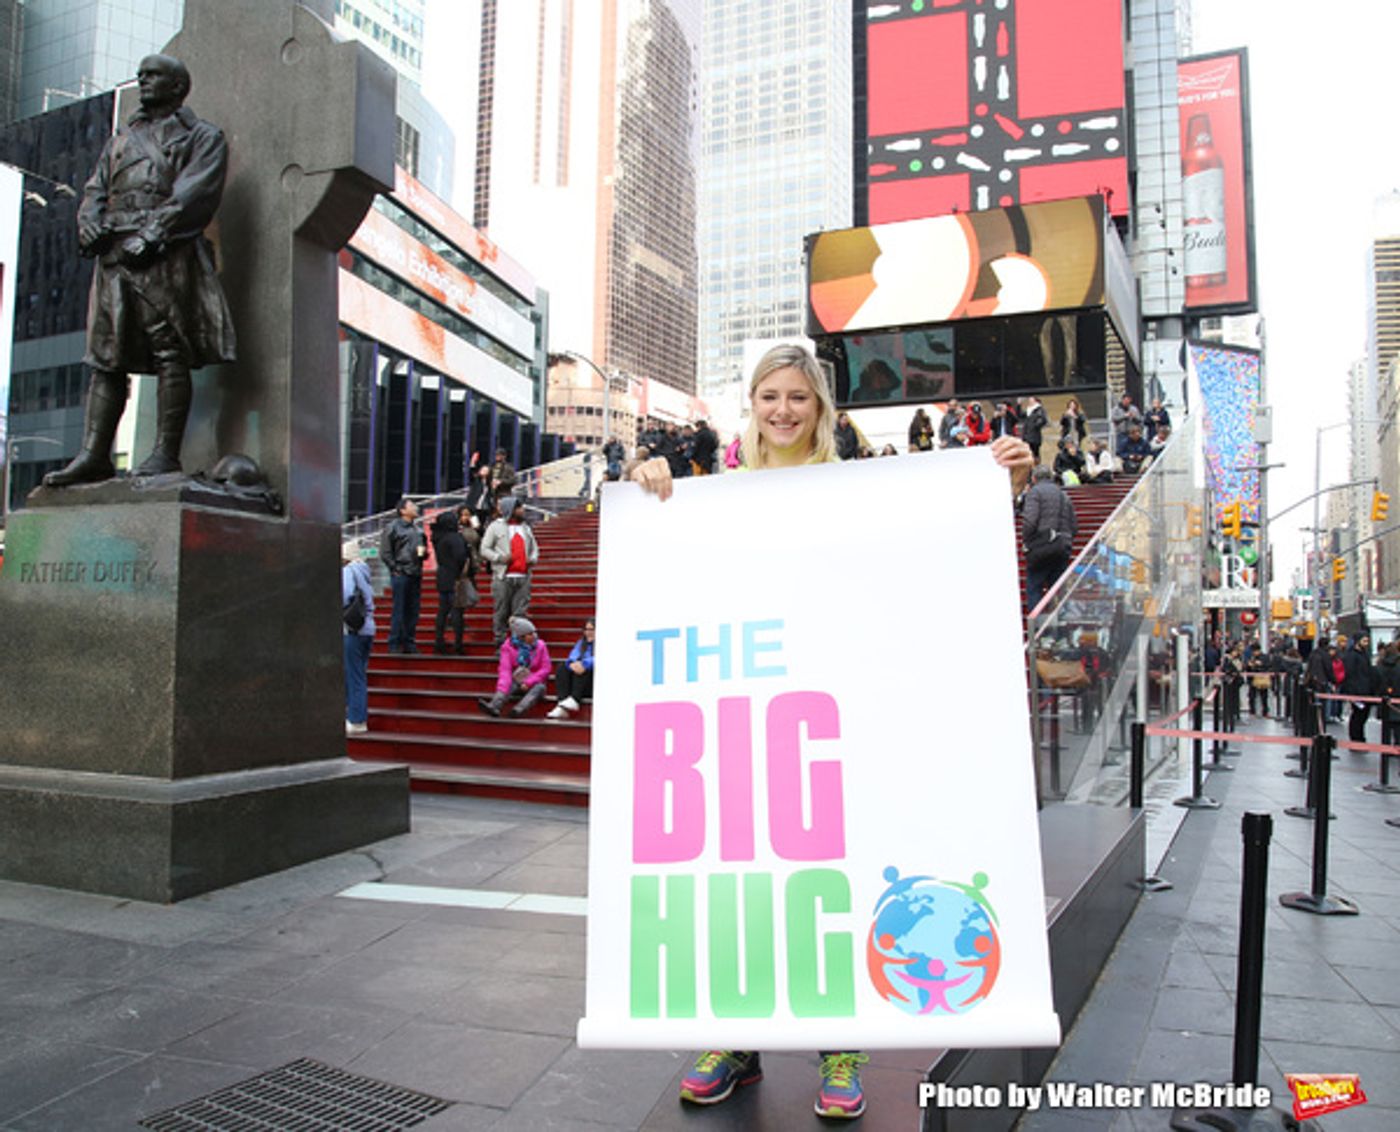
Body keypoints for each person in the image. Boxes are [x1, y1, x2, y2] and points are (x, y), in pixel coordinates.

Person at [630, 344, 1032, 1120]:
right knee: (745, 866)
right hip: (751, 703)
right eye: (769, 397)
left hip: (846, 706)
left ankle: (840, 1045)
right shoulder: (716, 496)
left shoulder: (861, 489)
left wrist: (997, 483)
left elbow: (934, 549)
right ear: (751, 404)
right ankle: (735, 1040)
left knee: (842, 866)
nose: (782, 410)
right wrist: (650, 484)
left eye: (798, 398)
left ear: (822, 409)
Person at [45, 54, 237, 486]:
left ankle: (165, 454)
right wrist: (89, 223)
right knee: (105, 358)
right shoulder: (120, 139)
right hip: (114, 254)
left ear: (176, 87)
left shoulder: (203, 136)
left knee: (171, 350)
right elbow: (95, 189)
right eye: (142, 76)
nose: (143, 81)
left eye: (153, 76)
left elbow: (195, 193)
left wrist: (153, 233)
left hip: (162, 255)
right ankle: (94, 454)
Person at [481, 494, 538, 645]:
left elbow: (534, 548)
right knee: (501, 611)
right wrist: (499, 558)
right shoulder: (495, 526)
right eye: (519, 507)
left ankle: (518, 644)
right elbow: (484, 549)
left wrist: (532, 559)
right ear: (511, 509)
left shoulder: (525, 528)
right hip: (503, 576)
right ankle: (500, 642)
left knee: (520, 613)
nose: (522, 510)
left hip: (523, 576)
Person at [1021, 465, 1077, 611]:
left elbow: (1030, 521)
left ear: (1034, 478)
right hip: (1062, 546)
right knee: (1058, 588)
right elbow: (1074, 526)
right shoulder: (1064, 495)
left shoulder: (1035, 492)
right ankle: (1059, 625)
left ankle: (1037, 626)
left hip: (1041, 546)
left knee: (1034, 586)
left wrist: (1027, 540)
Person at [477, 616, 552, 717]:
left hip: (534, 681)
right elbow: (505, 670)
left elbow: (546, 668)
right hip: (516, 679)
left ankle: (519, 710)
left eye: (534, 632)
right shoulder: (507, 647)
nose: (534, 636)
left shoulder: (541, 645)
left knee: (540, 687)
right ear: (521, 636)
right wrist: (502, 690)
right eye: (530, 634)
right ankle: (495, 705)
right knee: (508, 683)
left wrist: (529, 682)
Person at [380, 498, 425, 654]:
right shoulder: (392, 528)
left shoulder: (418, 530)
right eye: (412, 505)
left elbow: (423, 550)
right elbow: (385, 552)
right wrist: (395, 567)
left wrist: (423, 555)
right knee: (399, 608)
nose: (416, 508)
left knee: (413, 609)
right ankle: (394, 642)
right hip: (401, 572)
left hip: (416, 572)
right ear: (402, 510)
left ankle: (409, 641)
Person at [342, 541, 375, 734]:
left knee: (353, 676)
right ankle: (357, 715)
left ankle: (356, 719)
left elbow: (345, 594)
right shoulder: (364, 571)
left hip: (352, 628)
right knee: (359, 674)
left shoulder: (348, 571)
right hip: (368, 627)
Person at [430, 509, 471, 655]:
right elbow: (461, 556)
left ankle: (439, 641)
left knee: (442, 611)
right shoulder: (455, 537)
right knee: (457, 612)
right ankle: (458, 644)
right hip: (455, 576)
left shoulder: (438, 537)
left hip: (442, 576)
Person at [547, 618, 596, 719]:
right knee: (562, 667)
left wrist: (585, 663)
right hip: (578, 678)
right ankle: (562, 703)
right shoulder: (581, 643)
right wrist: (572, 663)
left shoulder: (606, 643)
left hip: (592, 682)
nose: (588, 633)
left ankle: (575, 699)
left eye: (592, 630)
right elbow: (573, 655)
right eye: (586, 629)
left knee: (583, 667)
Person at [1342, 633, 1377, 743]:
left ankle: (1360, 736)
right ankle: (1356, 738)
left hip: (1366, 689)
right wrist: (1352, 691)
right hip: (1357, 690)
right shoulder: (1351, 655)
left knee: (1363, 715)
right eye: (1364, 641)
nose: (1366, 644)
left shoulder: (1365, 654)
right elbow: (1350, 674)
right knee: (1358, 715)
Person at [466, 463, 496, 531]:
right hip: (474, 506)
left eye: (485, 470)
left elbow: (490, 496)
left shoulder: (489, 484)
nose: (483, 471)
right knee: (475, 525)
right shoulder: (476, 480)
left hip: (484, 508)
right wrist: (472, 464)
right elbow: (471, 473)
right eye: (482, 469)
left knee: (481, 526)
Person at [1020, 395, 1048, 463]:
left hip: (1034, 437)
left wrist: (1036, 425)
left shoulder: (1039, 409)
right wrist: (1019, 405)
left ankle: (1036, 467)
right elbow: (1020, 415)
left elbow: (1043, 420)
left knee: (1035, 453)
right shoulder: (1028, 410)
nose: (1029, 400)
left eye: (1031, 398)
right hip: (1026, 436)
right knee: (1027, 454)